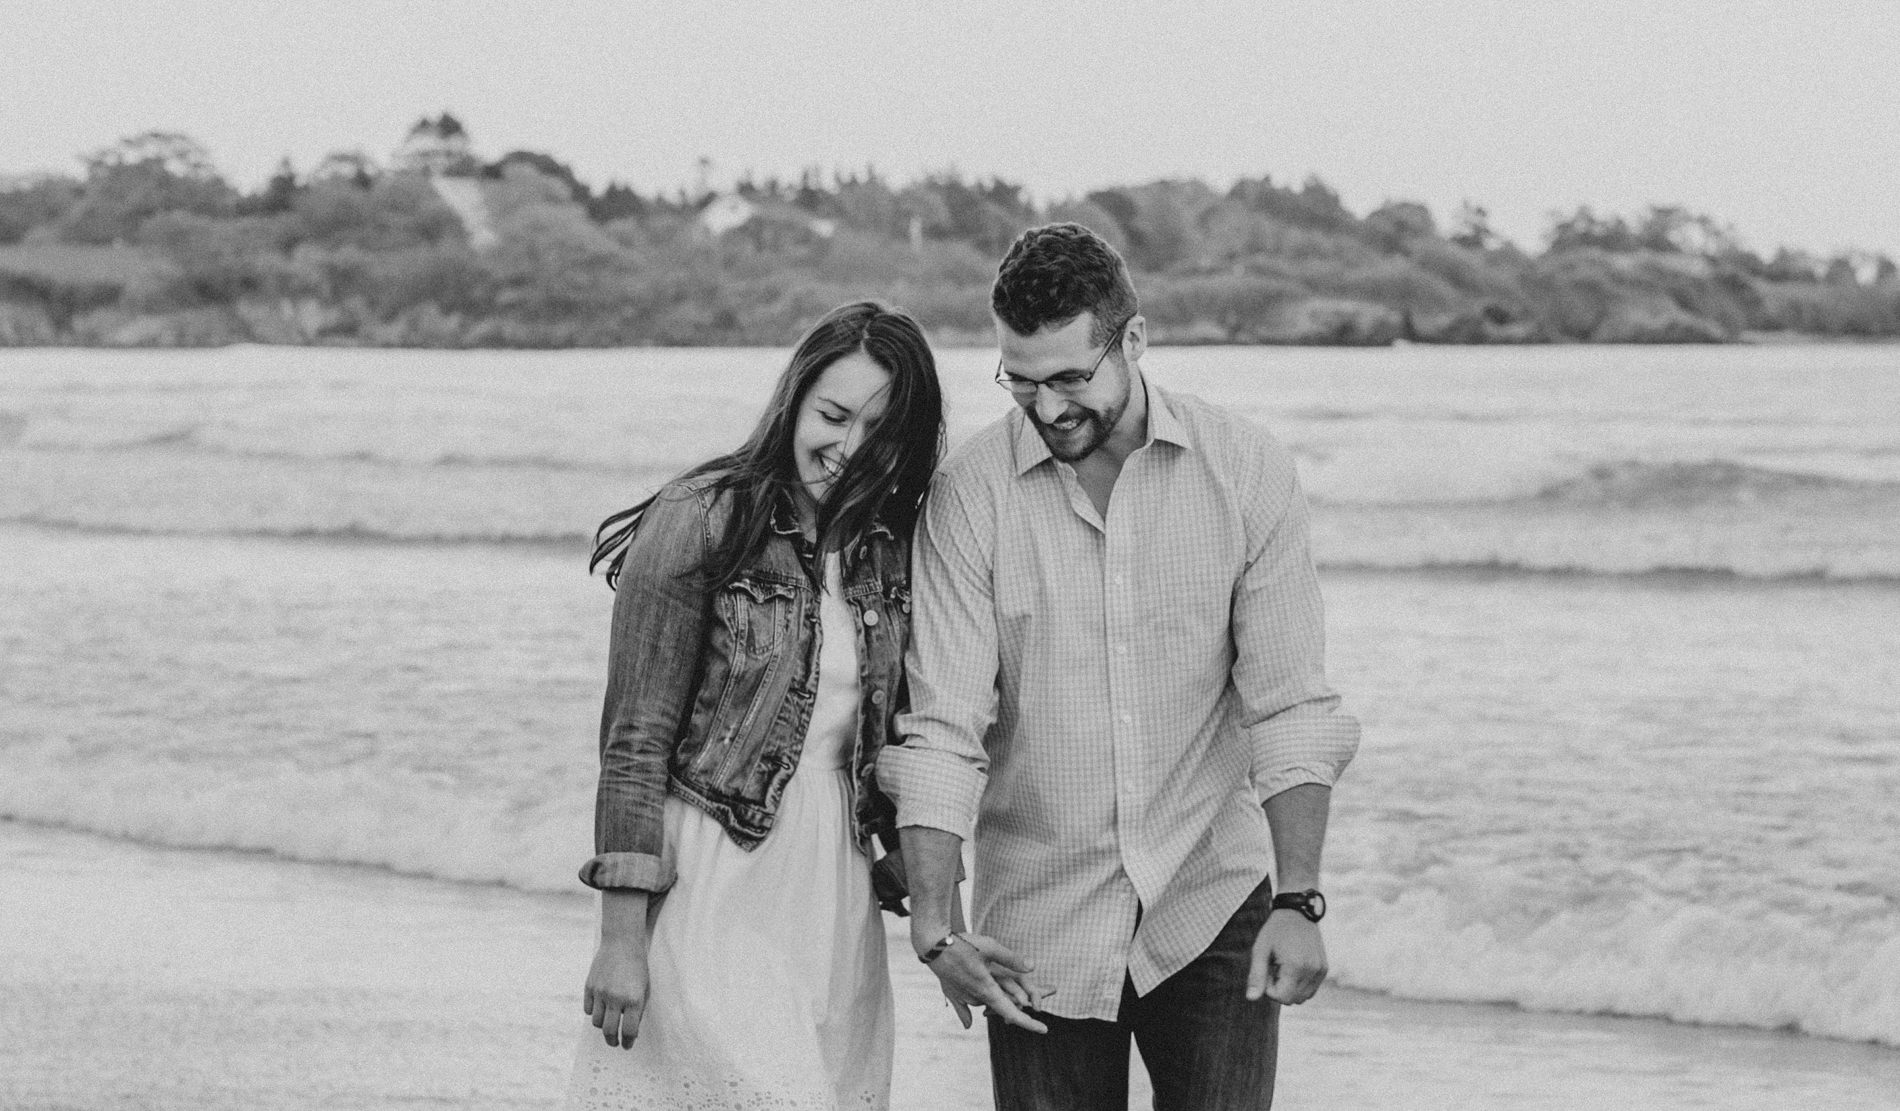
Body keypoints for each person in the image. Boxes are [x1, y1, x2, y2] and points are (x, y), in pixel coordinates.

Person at [877, 224, 1361, 1110]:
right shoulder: (969, 497)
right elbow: (943, 728)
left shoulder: (1245, 470)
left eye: (1070, 378)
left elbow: (1290, 703)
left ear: (1132, 341)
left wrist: (1301, 898)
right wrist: (938, 925)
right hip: (1039, 928)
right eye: (1021, 381)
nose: (1048, 407)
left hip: (1210, 906)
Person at [565, 301, 945, 1111]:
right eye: (833, 415)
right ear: (794, 399)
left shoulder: (890, 545)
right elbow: (634, 741)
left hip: (831, 893)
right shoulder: (704, 515)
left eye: (877, 432)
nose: (847, 450)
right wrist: (620, 937)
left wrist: (917, 859)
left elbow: (895, 730)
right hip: (712, 874)